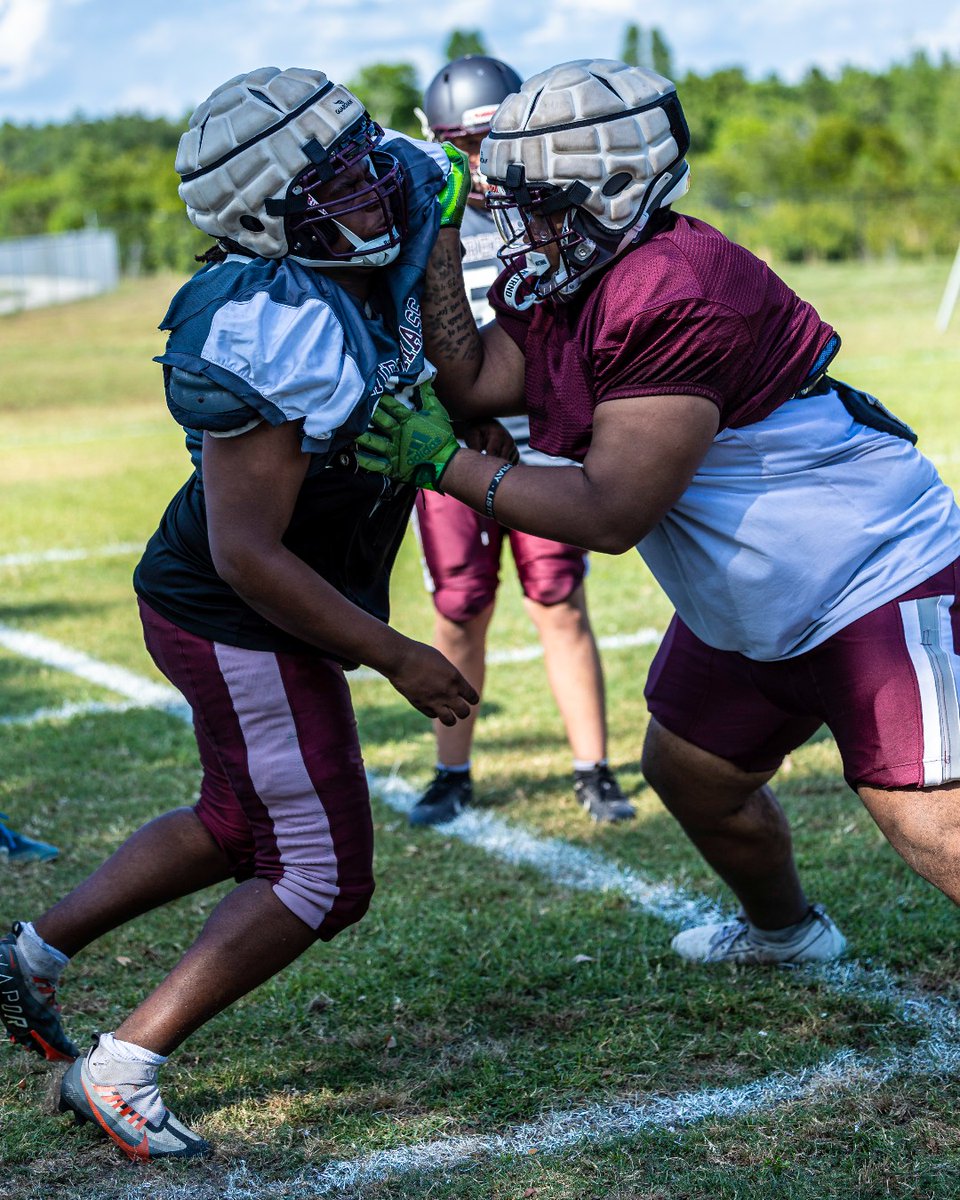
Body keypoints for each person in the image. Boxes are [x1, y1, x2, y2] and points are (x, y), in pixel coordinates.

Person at [356, 59, 960, 969]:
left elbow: (611, 509)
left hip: (868, 576)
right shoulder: (575, 269)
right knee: (694, 774)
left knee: (930, 817)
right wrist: (441, 235)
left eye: (540, 203)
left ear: (612, 193)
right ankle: (785, 933)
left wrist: (445, 465)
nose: (517, 223)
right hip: (758, 598)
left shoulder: (671, 283)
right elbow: (475, 376)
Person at [0, 66, 478, 1161]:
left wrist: (443, 246)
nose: (374, 187)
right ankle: (122, 1070)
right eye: (336, 182)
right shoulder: (268, 316)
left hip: (264, 602)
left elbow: (453, 359)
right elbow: (246, 551)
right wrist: (398, 653)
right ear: (273, 218)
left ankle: (28, 955)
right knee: (320, 873)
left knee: (233, 822)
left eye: (363, 155)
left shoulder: (391, 206)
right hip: (238, 609)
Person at [408, 56, 634, 826]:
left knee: (560, 600)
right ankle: (452, 769)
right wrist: (452, 424)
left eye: (489, 141)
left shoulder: (552, 210)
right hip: (452, 445)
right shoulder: (417, 221)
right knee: (460, 607)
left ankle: (593, 766)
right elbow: (403, 340)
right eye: (458, 146)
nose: (475, 165)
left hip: (542, 439)